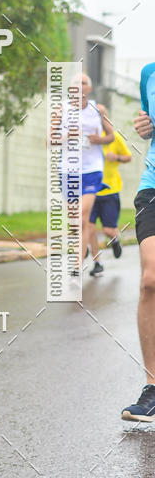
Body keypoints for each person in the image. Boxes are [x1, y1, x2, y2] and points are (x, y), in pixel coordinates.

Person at [51, 73, 114, 274]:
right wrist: (67, 135)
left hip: (91, 169)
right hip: (68, 171)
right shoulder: (61, 109)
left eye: (84, 82)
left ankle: (77, 264)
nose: (79, 85)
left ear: (89, 88)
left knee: (82, 216)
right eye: (76, 82)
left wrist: (99, 140)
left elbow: (111, 136)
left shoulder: (99, 109)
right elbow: (49, 140)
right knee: (76, 222)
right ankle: (91, 254)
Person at [122, 64, 155, 421]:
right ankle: (153, 387)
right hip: (153, 187)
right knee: (150, 280)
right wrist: (145, 127)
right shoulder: (149, 73)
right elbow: (148, 123)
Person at [87, 130, 131, 277]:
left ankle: (115, 239)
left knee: (108, 230)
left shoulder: (113, 136)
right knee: (89, 228)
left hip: (110, 190)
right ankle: (97, 263)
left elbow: (128, 157)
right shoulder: (86, 135)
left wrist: (116, 157)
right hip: (90, 190)